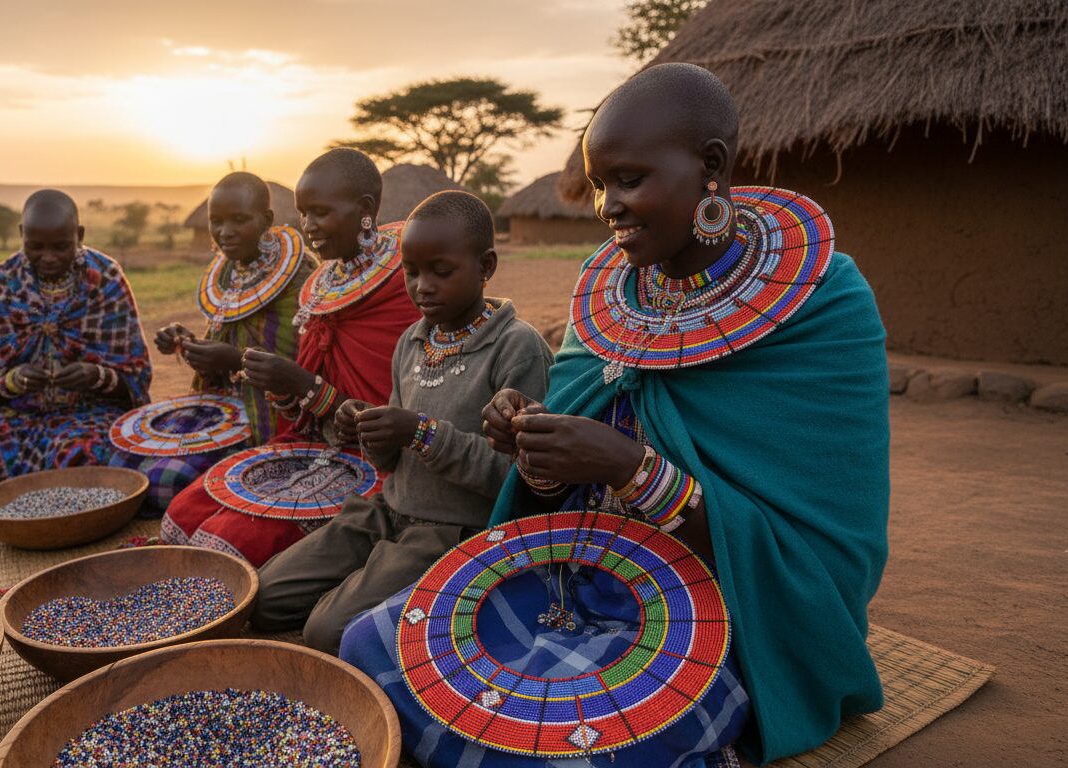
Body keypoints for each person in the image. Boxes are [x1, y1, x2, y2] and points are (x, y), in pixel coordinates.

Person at [341, 63, 889, 767]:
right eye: (600, 186)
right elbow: (549, 493)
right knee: (367, 647)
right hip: (577, 575)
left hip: (725, 616)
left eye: (629, 180)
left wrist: (630, 470)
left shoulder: (821, 305)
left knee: (554, 748)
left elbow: (818, 552)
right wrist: (535, 445)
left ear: (711, 167)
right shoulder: (608, 299)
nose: (607, 208)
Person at [250, 190, 552, 654]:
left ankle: (385, 599)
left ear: (486, 266)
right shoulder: (412, 341)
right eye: (411, 272)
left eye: (441, 271)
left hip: (452, 530)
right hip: (385, 512)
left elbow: (517, 482)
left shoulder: (516, 347)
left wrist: (420, 431)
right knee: (263, 598)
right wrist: (367, 430)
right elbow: (392, 462)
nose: (422, 287)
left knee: (326, 632)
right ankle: (370, 586)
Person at [160, 148, 421, 566]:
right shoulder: (323, 285)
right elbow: (303, 408)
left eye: (320, 212)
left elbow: (397, 419)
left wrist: (300, 383)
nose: (309, 226)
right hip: (310, 441)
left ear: (366, 210)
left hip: (376, 461)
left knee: (227, 542)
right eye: (303, 213)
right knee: (183, 511)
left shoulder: (404, 289)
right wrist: (285, 387)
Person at [0, 189, 152, 510]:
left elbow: (134, 375)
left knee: (83, 461)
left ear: (80, 236)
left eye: (61, 246)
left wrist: (95, 376)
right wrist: (15, 381)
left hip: (89, 414)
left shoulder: (105, 278)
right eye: (35, 246)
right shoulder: (1, 283)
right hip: (16, 414)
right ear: (21, 235)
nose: (48, 257)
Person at [109, 172, 314, 512]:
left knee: (165, 481)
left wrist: (234, 360)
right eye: (215, 221)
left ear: (266, 220)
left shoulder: (299, 276)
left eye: (239, 220)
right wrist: (186, 343)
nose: (225, 232)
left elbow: (303, 365)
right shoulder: (227, 271)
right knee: (122, 461)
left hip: (275, 418)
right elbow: (221, 338)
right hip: (224, 408)